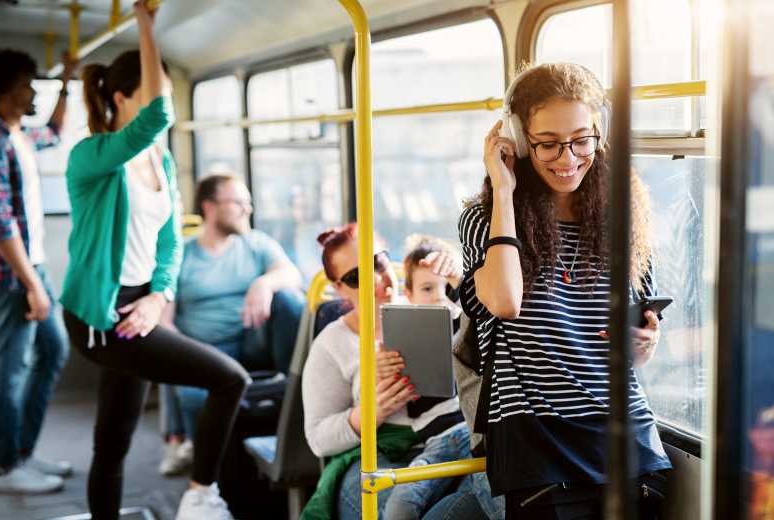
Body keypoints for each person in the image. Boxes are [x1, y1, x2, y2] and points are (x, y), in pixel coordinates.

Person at [459, 62, 671, 520]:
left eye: (581, 140)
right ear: (517, 139)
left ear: (600, 132)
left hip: (628, 437)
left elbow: (637, 344)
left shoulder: (623, 219)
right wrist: (502, 191)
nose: (568, 158)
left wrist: (645, 341)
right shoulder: (486, 219)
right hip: (538, 442)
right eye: (548, 144)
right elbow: (503, 301)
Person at [60, 3, 248, 519]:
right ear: (122, 99)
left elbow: (170, 243)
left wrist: (158, 294)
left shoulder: (161, 160)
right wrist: (146, 23)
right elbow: (159, 116)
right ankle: (200, 496)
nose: (162, 103)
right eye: (153, 90)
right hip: (100, 313)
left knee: (113, 441)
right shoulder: (91, 157)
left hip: (140, 303)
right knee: (230, 379)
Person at [301, 224, 485, 520]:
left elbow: (481, 324)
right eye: (356, 277)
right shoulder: (331, 345)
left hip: (449, 438)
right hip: (377, 454)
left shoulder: (431, 305)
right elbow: (318, 438)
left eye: (378, 263)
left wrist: (457, 277)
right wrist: (368, 414)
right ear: (339, 288)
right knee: (401, 507)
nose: (375, 279)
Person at [159, 173, 304, 472]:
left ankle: (295, 387)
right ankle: (206, 473)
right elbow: (165, 323)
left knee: (288, 300)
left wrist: (264, 283)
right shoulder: (182, 255)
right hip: (204, 350)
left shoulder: (256, 244)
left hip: (251, 340)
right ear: (209, 207)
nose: (247, 209)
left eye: (248, 202)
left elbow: (292, 275)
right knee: (192, 393)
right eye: (238, 202)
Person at [0, 48, 76, 494]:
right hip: (10, 276)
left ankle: (20, 451)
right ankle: (5, 466)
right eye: (28, 84)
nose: (32, 92)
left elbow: (55, 132)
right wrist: (31, 285)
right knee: (10, 368)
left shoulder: (19, 135)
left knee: (53, 350)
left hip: (33, 266)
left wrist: (66, 81)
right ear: (5, 90)